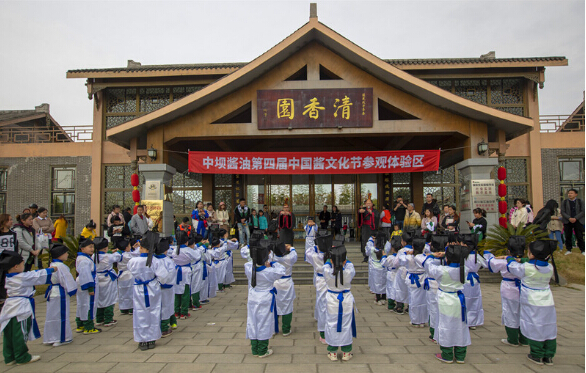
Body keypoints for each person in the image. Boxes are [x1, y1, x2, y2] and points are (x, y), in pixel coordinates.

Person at [505, 240, 558, 366]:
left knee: (534, 327)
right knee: (549, 327)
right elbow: (533, 263)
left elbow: (513, 268)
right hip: (547, 301)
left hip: (532, 301)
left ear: (532, 255)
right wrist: (522, 260)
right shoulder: (549, 267)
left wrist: (509, 259)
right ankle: (549, 355)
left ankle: (537, 354)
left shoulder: (526, 268)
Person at [0, 250, 56, 365]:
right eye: (22, 264)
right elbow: (36, 275)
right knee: (20, 333)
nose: (24, 266)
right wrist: (51, 269)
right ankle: (22, 356)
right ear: (16, 266)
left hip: (9, 307)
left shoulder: (9, 277)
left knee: (9, 333)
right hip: (21, 307)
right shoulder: (21, 277)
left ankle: (9, 357)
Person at [423, 245, 471, 364]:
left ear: (447, 259)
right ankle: (460, 356)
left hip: (445, 299)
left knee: (445, 326)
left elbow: (427, 265)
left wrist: (432, 255)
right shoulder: (464, 269)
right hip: (459, 299)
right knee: (461, 327)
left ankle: (447, 354)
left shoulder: (442, 270)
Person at [245, 240, 286, 358]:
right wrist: (271, 263)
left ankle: (254, 348)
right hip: (265, 298)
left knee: (252, 321)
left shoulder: (249, 268)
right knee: (264, 322)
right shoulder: (269, 271)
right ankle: (263, 350)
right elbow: (281, 270)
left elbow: (249, 263)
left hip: (253, 297)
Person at [127, 231, 168, 350]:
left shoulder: (133, 261)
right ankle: (152, 338)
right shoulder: (156, 261)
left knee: (140, 313)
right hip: (153, 288)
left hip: (139, 288)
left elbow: (131, 269)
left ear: (141, 247)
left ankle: (142, 339)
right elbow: (164, 277)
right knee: (154, 312)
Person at [486, 235, 529, 347]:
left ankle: (512, 339)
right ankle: (525, 339)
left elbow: (491, 263)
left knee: (510, 312)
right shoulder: (528, 263)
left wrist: (490, 255)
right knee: (524, 313)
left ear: (509, 251)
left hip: (509, 287)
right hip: (524, 288)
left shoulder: (505, 262)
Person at [323, 244, 356, 361]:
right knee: (346, 324)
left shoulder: (327, 270)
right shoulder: (349, 270)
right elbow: (349, 264)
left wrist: (331, 257)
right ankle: (346, 352)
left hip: (332, 299)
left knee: (331, 323)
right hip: (345, 299)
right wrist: (342, 255)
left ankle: (332, 351)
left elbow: (326, 264)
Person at [43, 244, 77, 347]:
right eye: (65, 253)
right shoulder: (61, 266)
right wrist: (72, 289)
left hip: (52, 291)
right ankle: (62, 338)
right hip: (60, 292)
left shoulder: (52, 264)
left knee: (51, 315)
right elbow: (66, 280)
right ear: (60, 255)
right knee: (61, 315)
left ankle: (50, 337)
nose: (67, 254)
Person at [397, 237, 428, 327]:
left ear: (413, 247)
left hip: (413, 280)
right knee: (423, 300)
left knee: (414, 300)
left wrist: (406, 252)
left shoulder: (409, 257)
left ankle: (415, 320)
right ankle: (422, 320)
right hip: (422, 278)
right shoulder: (424, 257)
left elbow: (401, 259)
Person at [94, 237, 122, 327]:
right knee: (109, 299)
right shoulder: (108, 257)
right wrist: (118, 251)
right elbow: (118, 257)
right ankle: (108, 319)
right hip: (107, 279)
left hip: (97, 278)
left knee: (99, 299)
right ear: (105, 248)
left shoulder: (93, 256)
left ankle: (99, 319)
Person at [75, 238, 101, 334]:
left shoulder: (82, 258)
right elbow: (86, 274)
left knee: (81, 304)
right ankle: (88, 326)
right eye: (89, 247)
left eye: (93, 247)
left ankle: (80, 324)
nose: (92, 249)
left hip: (82, 282)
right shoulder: (84, 260)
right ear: (82, 249)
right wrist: (90, 288)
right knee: (89, 304)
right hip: (87, 283)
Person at [307, 234, 330, 344]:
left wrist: (316, 246)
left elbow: (308, 251)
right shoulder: (332, 256)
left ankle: (323, 333)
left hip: (320, 280)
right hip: (331, 281)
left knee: (322, 305)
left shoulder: (315, 256)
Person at [172, 231, 200, 320]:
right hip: (186, 270)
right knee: (185, 291)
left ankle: (176, 311)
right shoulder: (188, 250)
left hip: (177, 270)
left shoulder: (174, 249)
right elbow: (197, 256)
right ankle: (183, 312)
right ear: (186, 241)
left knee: (177, 292)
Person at [272, 241, 297, 337]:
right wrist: (290, 247)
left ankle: (274, 328)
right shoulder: (289, 258)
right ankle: (286, 329)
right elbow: (294, 254)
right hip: (286, 283)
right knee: (287, 306)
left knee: (275, 305)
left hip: (276, 283)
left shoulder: (272, 258)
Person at [154, 237, 177, 337]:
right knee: (166, 306)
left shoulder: (151, 259)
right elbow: (171, 274)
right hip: (166, 288)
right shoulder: (168, 261)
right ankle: (164, 328)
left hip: (153, 288)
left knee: (156, 307)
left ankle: (157, 326)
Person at [0, 214, 18, 311]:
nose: (11, 221)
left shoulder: (13, 233)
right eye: (9, 220)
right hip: (1, 261)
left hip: (10, 261)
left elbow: (16, 247)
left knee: (8, 281)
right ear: (4, 222)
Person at [117, 239, 138, 316]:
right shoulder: (127, 255)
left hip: (121, 275)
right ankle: (131, 308)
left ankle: (123, 308)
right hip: (129, 274)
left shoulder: (120, 254)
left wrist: (133, 248)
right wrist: (137, 248)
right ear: (126, 247)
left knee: (122, 292)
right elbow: (135, 254)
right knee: (130, 292)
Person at [560, 189, 585, 255]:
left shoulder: (580, 201)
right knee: (568, 235)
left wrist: (576, 218)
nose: (570, 194)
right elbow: (562, 211)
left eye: (571, 193)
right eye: (569, 193)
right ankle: (568, 249)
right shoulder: (564, 202)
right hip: (567, 221)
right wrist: (569, 218)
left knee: (579, 235)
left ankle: (582, 250)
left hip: (578, 221)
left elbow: (583, 211)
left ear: (576, 194)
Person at [366, 232, 387, 305]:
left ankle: (378, 298)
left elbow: (367, 253)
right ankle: (384, 298)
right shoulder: (384, 250)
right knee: (384, 283)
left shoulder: (372, 249)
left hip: (375, 268)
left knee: (376, 284)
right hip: (383, 268)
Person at [382, 236, 402, 311]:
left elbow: (384, 263)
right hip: (399, 273)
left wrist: (384, 256)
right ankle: (400, 305)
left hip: (391, 274)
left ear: (392, 248)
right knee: (399, 289)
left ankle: (391, 305)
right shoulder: (401, 256)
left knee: (390, 289)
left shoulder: (390, 257)